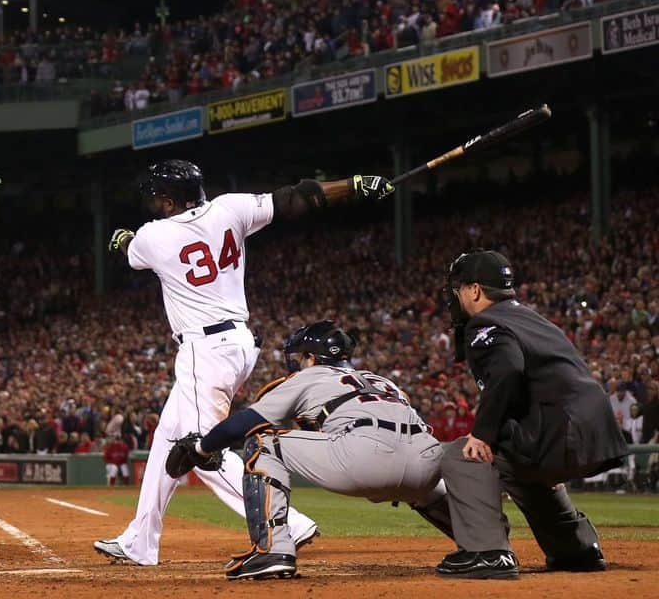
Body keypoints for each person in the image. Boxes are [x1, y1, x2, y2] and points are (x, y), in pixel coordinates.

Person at [93, 158, 396, 567]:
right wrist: (355, 184)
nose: (154, 204)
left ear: (168, 201)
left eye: (157, 199)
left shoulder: (153, 236)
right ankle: (139, 541)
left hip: (204, 348)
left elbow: (128, 249)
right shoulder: (230, 207)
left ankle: (291, 522)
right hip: (238, 343)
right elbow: (298, 197)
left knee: (199, 450)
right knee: (167, 438)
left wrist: (122, 238)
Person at [172, 321, 446, 581]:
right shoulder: (383, 381)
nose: (298, 362)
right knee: (424, 485)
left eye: (301, 357)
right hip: (427, 460)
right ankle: (480, 545)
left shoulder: (311, 375)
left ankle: (273, 550)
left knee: (263, 443)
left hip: (365, 456)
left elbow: (244, 423)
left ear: (312, 358)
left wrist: (200, 448)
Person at [436, 250, 627, 579]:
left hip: (561, 432)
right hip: (597, 433)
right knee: (518, 462)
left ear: (475, 290)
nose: (456, 297)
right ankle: (577, 549)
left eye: (459, 289)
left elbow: (508, 369)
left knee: (463, 454)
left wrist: (482, 434)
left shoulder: (485, 321)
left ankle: (488, 553)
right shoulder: (531, 318)